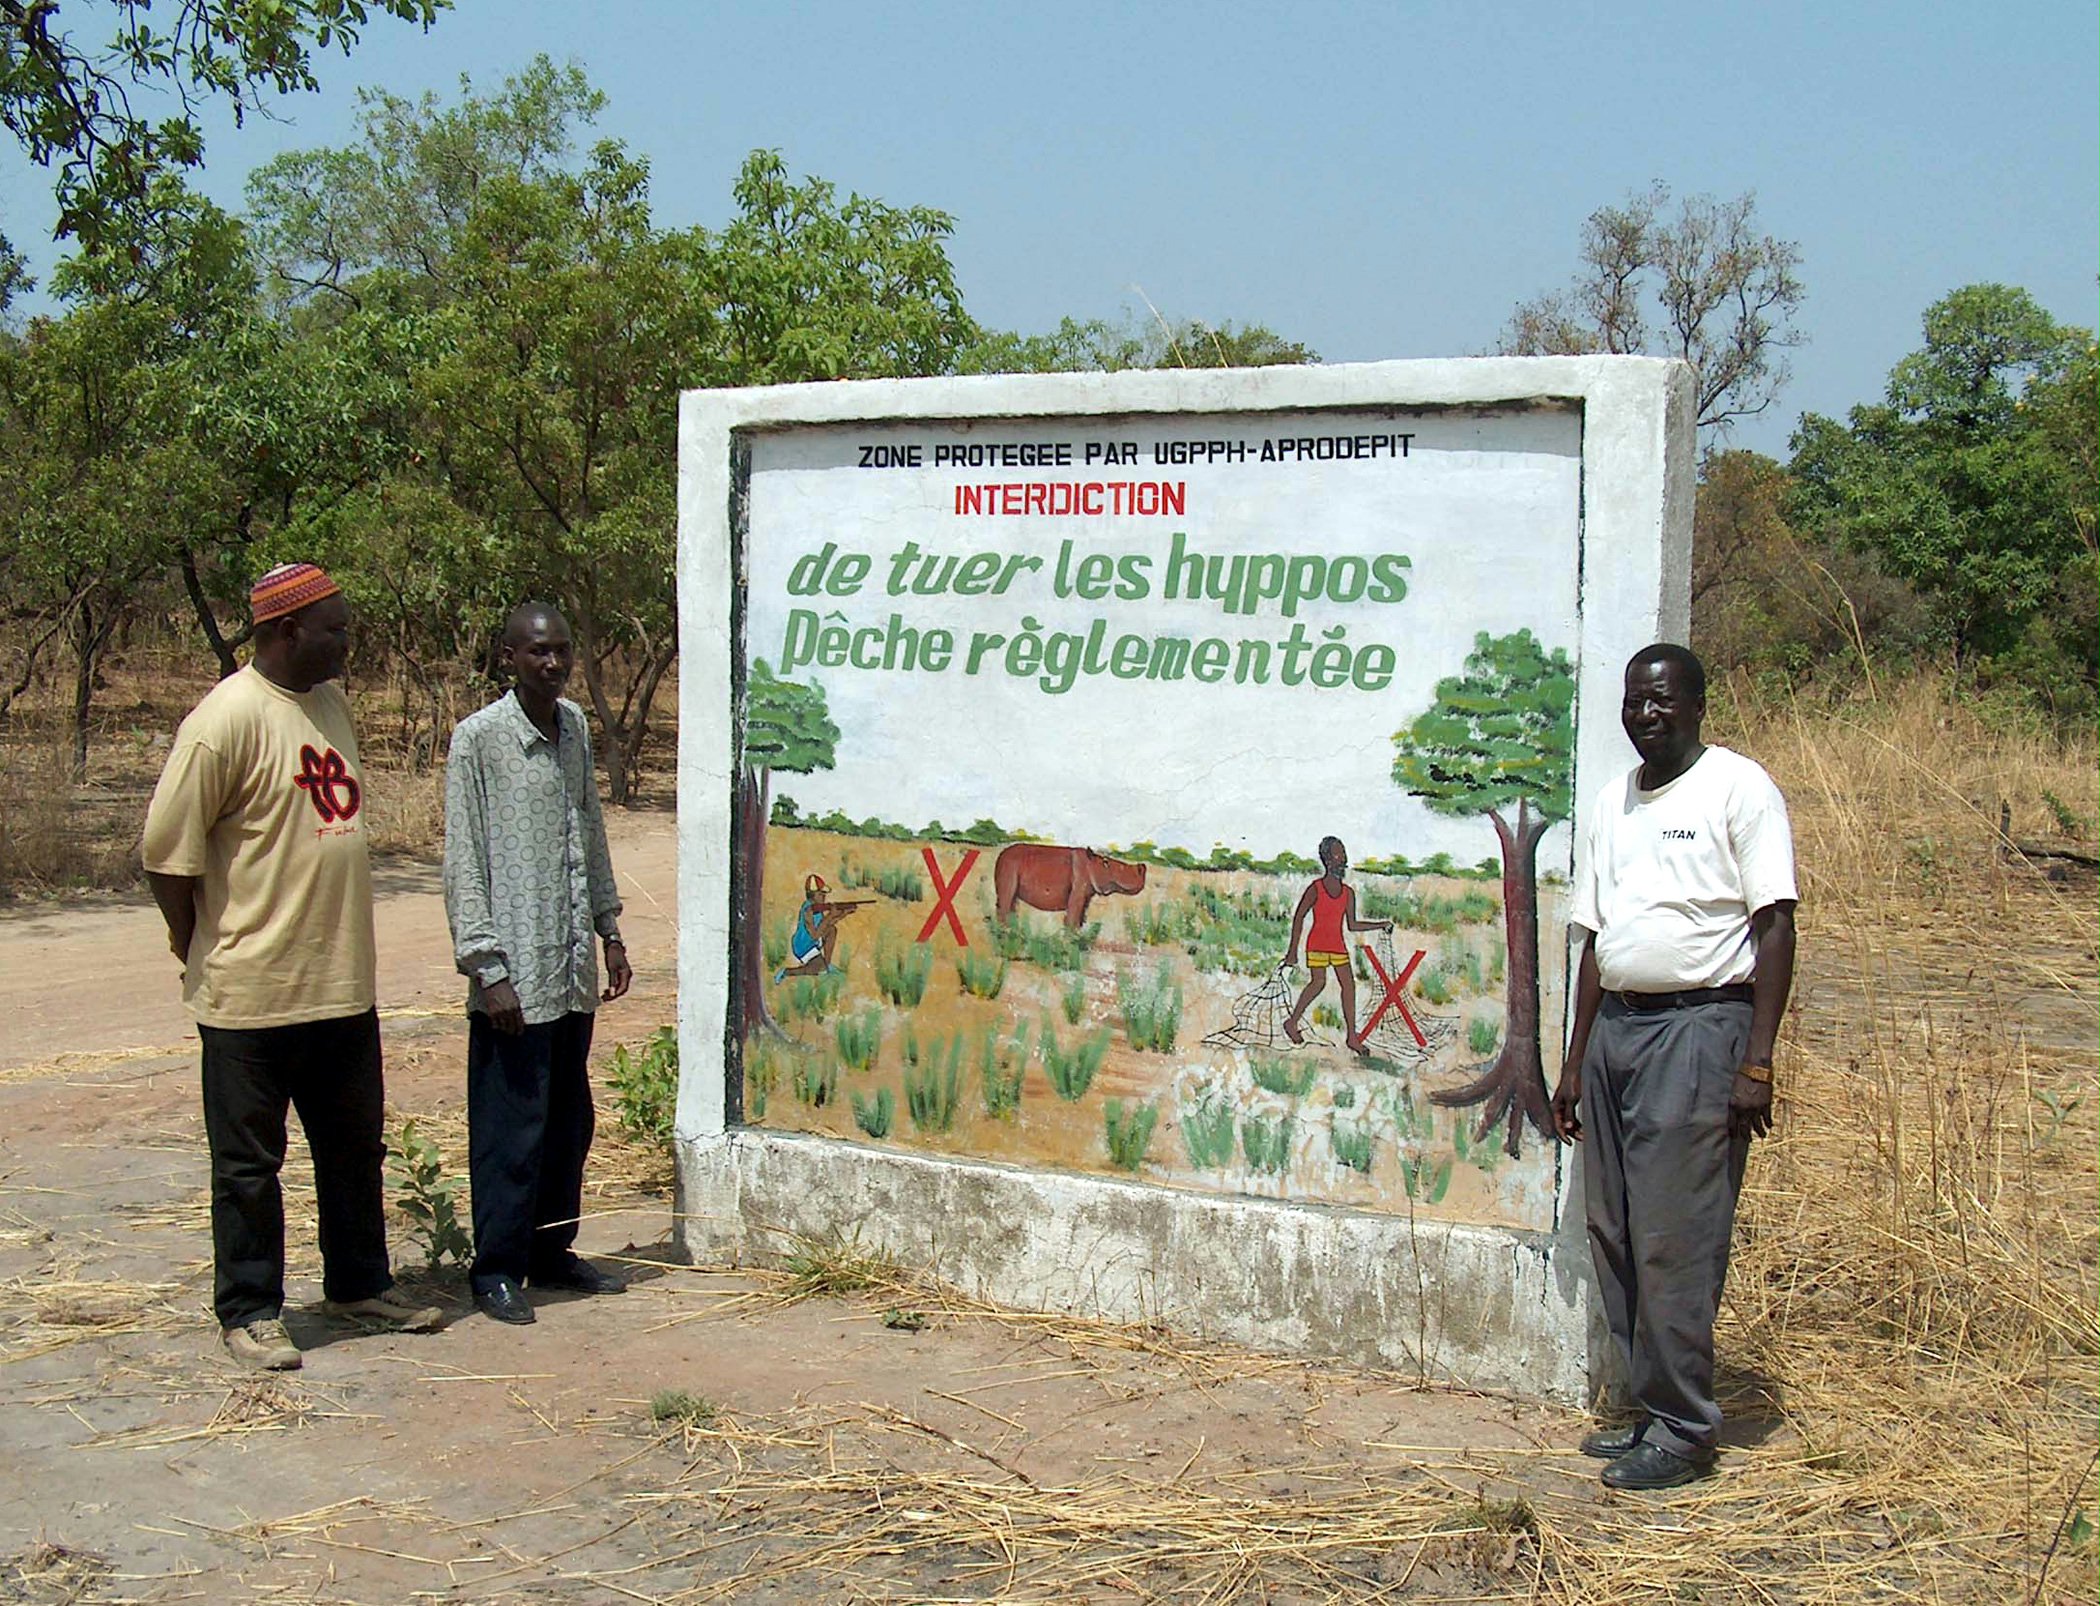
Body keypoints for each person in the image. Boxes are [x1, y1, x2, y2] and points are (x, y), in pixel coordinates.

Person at [142, 562, 443, 1371]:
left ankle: (359, 1288)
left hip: (340, 983)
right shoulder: (224, 721)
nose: (347, 643)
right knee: (249, 1167)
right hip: (251, 992)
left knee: (354, 1152)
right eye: (335, 630)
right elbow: (166, 858)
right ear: (286, 631)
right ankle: (249, 1311)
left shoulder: (330, 704)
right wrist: (195, 942)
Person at [1550, 643, 1797, 1491]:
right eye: (1633, 701)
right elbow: (1595, 938)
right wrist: (1575, 1062)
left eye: (1661, 700)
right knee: (1615, 1231)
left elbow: (1775, 927)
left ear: (1696, 705)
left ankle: (1687, 1431)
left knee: (1675, 1237)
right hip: (1617, 1030)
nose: (1645, 714)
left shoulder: (1738, 788)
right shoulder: (1613, 801)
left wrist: (1756, 1062)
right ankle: (1650, 1407)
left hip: (1700, 1028)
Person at [443, 602, 632, 1327]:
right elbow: (463, 861)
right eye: (537, 652)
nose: (552, 664)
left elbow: (590, 828)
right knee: (510, 1129)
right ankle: (496, 1268)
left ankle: (552, 1251)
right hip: (514, 975)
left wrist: (608, 929)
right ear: (509, 659)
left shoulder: (574, 726)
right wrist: (486, 969)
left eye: (561, 651)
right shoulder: (479, 740)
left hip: (569, 964)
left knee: (566, 1121)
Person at [1279, 836, 1393, 1054]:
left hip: (1337, 945)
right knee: (1318, 983)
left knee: (1349, 986)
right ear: (1327, 860)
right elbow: (1299, 916)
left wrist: (1380, 924)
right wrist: (1292, 951)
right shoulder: (1316, 888)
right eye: (1338, 854)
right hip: (1317, 945)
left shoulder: (1348, 893)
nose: (1344, 859)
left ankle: (1352, 1037)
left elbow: (1352, 925)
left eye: (1344, 853)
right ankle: (1292, 1023)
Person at [774, 873, 861, 982]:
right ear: (812, 895)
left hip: (812, 943)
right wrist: (830, 915)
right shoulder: (808, 910)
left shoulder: (817, 909)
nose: (824, 896)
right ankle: (786, 972)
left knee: (832, 930)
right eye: (820, 894)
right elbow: (815, 935)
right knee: (817, 970)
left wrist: (843, 913)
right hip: (803, 946)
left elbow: (827, 924)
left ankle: (827, 965)